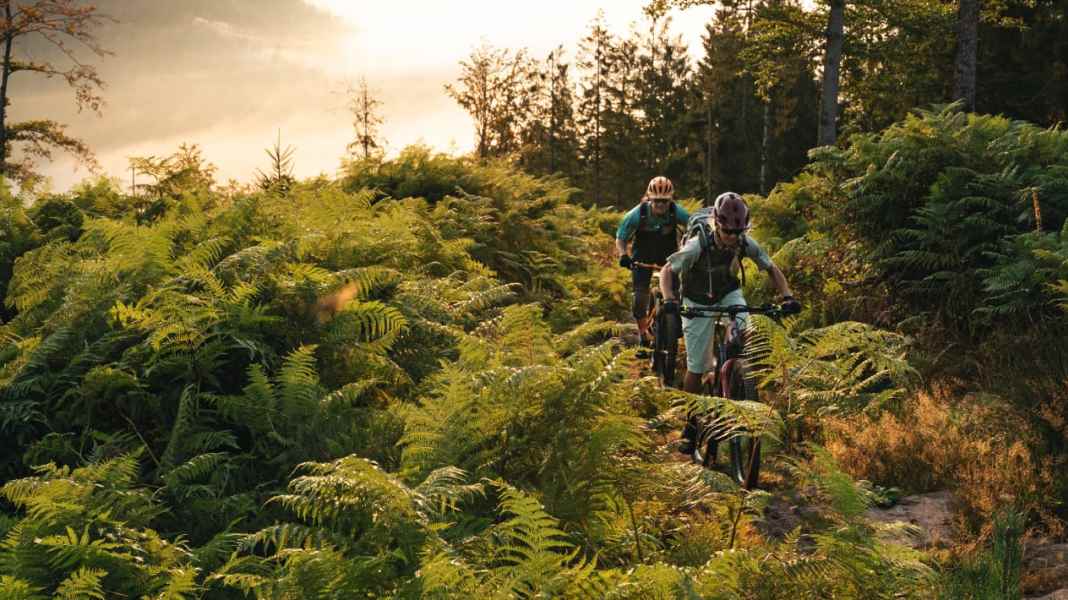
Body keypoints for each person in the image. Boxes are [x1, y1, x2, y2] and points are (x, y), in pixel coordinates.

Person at [658, 191, 801, 454]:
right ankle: (690, 425)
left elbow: (771, 268)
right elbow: (667, 271)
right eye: (727, 232)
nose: (733, 238)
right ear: (716, 224)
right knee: (696, 366)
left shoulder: (745, 242)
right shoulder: (697, 245)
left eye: (738, 232)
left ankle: (732, 375)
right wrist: (668, 299)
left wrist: (788, 296)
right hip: (696, 300)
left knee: (743, 333)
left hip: (728, 294)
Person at [615, 176, 690, 346]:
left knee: (676, 293)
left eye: (664, 201)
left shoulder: (677, 212)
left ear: (670, 199)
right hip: (642, 256)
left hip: (668, 256)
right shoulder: (637, 214)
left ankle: (674, 325)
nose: (660, 205)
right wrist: (623, 255)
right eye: (656, 201)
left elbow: (694, 225)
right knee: (639, 298)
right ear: (649, 198)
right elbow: (621, 238)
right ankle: (643, 335)